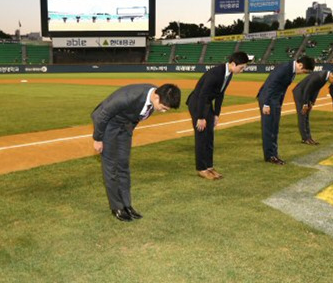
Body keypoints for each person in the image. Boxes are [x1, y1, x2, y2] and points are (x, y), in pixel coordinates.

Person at [92, 83, 181, 222]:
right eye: (163, 108)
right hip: (108, 124)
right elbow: (103, 115)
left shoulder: (156, 97)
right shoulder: (128, 97)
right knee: (111, 168)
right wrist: (98, 138)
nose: (163, 111)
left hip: (125, 126)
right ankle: (117, 207)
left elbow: (138, 116)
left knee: (123, 165)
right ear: (156, 97)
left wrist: (128, 130)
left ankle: (127, 205)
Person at [187, 52, 250, 180]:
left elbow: (220, 94)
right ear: (233, 64)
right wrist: (200, 117)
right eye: (241, 67)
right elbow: (202, 95)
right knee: (201, 136)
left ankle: (209, 166)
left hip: (207, 104)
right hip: (197, 103)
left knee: (209, 135)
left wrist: (216, 114)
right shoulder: (215, 73)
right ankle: (201, 169)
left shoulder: (229, 73)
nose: (242, 70)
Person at [257, 56, 315, 165]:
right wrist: (266, 104)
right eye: (304, 71)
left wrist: (279, 103)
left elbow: (281, 89)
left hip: (275, 100)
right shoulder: (284, 68)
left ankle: (272, 154)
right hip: (269, 99)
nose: (303, 73)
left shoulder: (291, 70)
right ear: (300, 65)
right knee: (269, 128)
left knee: (274, 127)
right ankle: (271, 156)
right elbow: (271, 86)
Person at [292, 70, 333, 144]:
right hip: (300, 93)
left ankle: (309, 137)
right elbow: (307, 89)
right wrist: (305, 104)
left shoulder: (324, 77)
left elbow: (316, 89)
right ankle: (305, 139)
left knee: (306, 115)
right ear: (332, 76)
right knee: (303, 114)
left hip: (306, 94)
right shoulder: (320, 76)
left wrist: (311, 102)